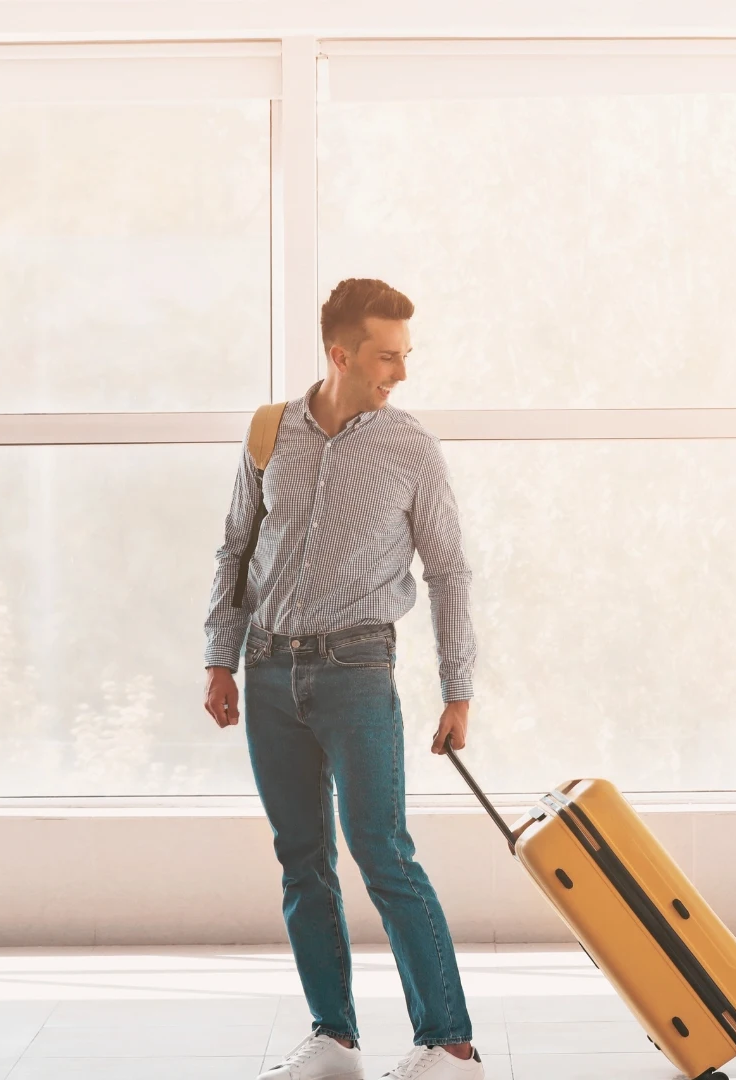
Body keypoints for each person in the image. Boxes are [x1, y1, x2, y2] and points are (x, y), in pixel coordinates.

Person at [202, 278, 485, 1080]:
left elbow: (450, 572)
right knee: (302, 859)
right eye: (386, 356)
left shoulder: (410, 447)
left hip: (360, 668)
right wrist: (218, 659)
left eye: (405, 355)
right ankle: (334, 1038)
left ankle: (451, 1044)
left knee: (383, 852)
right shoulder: (269, 434)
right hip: (265, 670)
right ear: (341, 354)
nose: (400, 371)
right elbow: (234, 551)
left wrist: (458, 691)